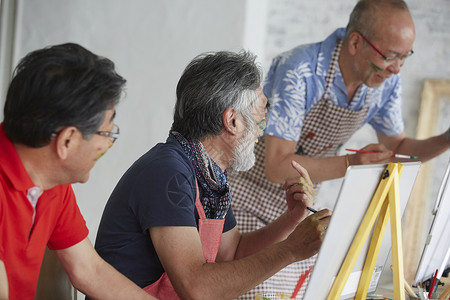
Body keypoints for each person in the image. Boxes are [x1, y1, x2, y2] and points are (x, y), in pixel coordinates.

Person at [228, 0, 450, 298]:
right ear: (356, 42)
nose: (397, 69)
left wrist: (447, 139)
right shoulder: (300, 70)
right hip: (246, 201)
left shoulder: (384, 84)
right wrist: (352, 164)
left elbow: (397, 147)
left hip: (297, 206)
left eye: (405, 57)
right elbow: (277, 166)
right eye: (390, 56)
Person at [93, 50, 332, 299]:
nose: (263, 129)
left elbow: (232, 252)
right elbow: (197, 288)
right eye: (262, 113)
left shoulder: (208, 174)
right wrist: (290, 251)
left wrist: (292, 219)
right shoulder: (168, 173)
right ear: (232, 121)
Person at [0, 43, 158, 300]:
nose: (108, 144)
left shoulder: (53, 184)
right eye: (106, 133)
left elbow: (89, 271)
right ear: (67, 141)